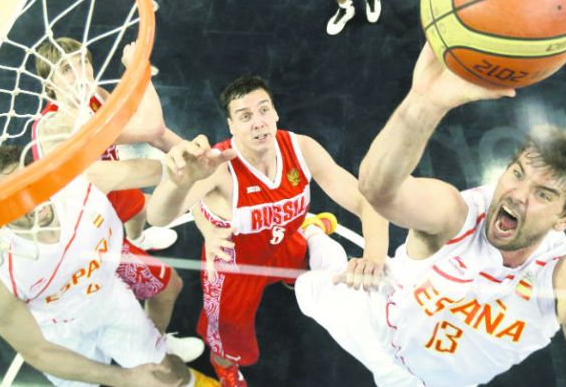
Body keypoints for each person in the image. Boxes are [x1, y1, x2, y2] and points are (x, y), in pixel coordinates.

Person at [293, 42, 566, 387]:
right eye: (518, 173)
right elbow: (378, 191)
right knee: (306, 289)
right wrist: (422, 105)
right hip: (371, 323)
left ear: (564, 220)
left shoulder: (560, 272)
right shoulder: (460, 215)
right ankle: (313, 233)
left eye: (543, 194)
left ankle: (314, 238)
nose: (518, 195)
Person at [146, 76, 389, 386]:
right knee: (228, 338)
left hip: (284, 242)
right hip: (235, 265)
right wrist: (177, 184)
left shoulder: (301, 148)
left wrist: (374, 256)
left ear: (275, 113)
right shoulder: (219, 166)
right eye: (245, 117)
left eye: (263, 110)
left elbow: (364, 199)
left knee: (302, 265)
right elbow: (157, 216)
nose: (258, 122)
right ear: (231, 125)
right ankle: (226, 369)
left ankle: (307, 235)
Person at [0, 145, 219, 387]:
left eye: (28, 183)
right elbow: (38, 351)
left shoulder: (82, 183)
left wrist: (187, 169)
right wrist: (125, 379)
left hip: (109, 300)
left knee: (165, 374)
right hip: (60, 337)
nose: (30, 200)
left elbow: (170, 169)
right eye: (11, 200)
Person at [31, 37, 203, 361]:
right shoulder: (56, 128)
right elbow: (150, 129)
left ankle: (140, 236)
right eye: (67, 69)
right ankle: (156, 347)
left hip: (109, 196)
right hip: (84, 231)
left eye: (83, 61)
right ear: (49, 86)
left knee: (137, 211)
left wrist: (190, 149)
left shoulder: (96, 98)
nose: (81, 71)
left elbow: (152, 130)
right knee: (168, 286)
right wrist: (139, 67)